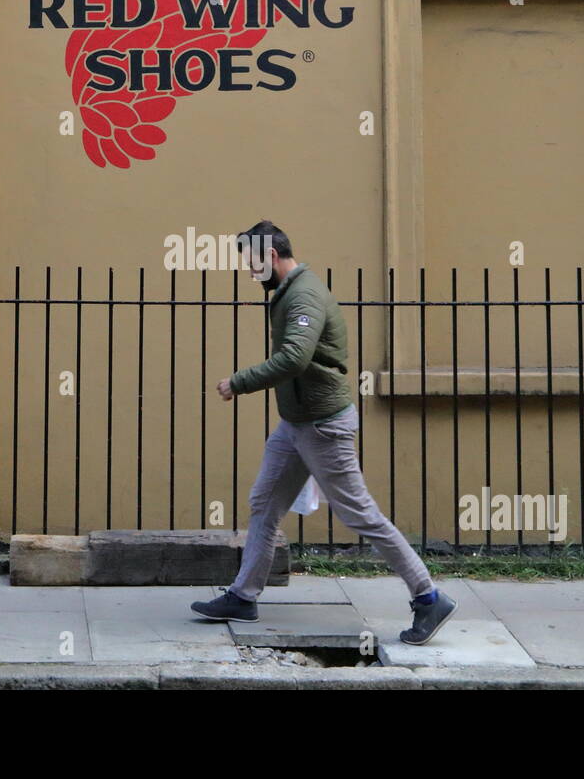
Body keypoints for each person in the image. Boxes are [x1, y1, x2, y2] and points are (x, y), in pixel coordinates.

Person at [190, 221, 457, 645]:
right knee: (264, 500)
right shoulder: (288, 292)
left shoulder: (305, 295)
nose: (250, 272)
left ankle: (428, 597)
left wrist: (238, 382)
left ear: (272, 257)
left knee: (359, 514)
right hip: (296, 424)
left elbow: (295, 358)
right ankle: (243, 596)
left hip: (323, 426)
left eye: (253, 263)